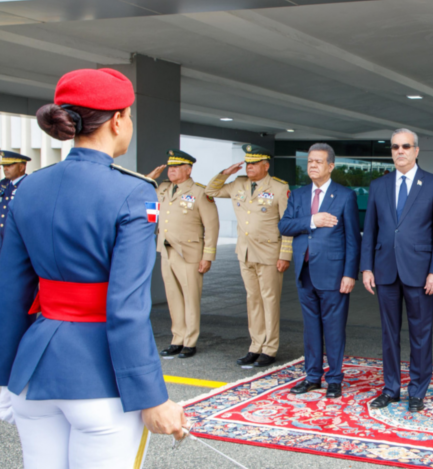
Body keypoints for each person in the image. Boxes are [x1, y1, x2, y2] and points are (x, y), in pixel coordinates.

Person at [0, 68, 185, 468]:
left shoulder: (29, 187)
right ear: (118, 120)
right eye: (129, 115)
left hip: (31, 373)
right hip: (100, 380)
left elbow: (11, 292)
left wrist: (3, 377)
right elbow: (127, 308)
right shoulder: (134, 192)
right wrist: (153, 397)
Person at [361, 128, 433, 413]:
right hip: (385, 270)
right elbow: (370, 232)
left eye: (405, 146)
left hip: (420, 272)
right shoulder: (379, 185)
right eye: (395, 147)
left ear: (416, 150)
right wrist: (366, 267)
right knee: (389, 333)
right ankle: (390, 389)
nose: (400, 151)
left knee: (420, 334)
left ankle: (417, 391)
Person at [279, 143, 360, 399]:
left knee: (334, 328)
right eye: (310, 161)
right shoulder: (299, 195)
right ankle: (312, 377)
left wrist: (350, 274)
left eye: (318, 161)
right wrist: (312, 221)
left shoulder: (345, 195)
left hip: (335, 274)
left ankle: (334, 378)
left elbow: (352, 239)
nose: (312, 165)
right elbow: (285, 226)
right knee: (311, 328)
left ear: (331, 166)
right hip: (305, 272)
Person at [206, 144, 293, 368]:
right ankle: (255, 346)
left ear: (266, 165)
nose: (249, 167)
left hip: (269, 253)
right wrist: (225, 173)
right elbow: (211, 191)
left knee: (269, 301)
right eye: (247, 163)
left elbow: (288, 224)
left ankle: (270, 348)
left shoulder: (278, 187)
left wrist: (285, 254)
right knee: (253, 300)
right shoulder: (238, 183)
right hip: (245, 252)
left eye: (254, 163)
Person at [146, 150, 220, 359]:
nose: (171, 171)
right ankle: (177, 338)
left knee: (190, 298)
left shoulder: (199, 192)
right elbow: (147, 209)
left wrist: (208, 256)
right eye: (170, 168)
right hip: (167, 250)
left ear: (188, 170)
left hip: (189, 252)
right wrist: (148, 179)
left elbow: (211, 227)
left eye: (176, 167)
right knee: (173, 297)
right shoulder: (162, 189)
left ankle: (190, 341)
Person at [0, 151, 31, 250]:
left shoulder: (29, 185)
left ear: (21, 167)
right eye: (4, 165)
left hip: (17, 240)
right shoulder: (2, 184)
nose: (5, 168)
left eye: (9, 165)